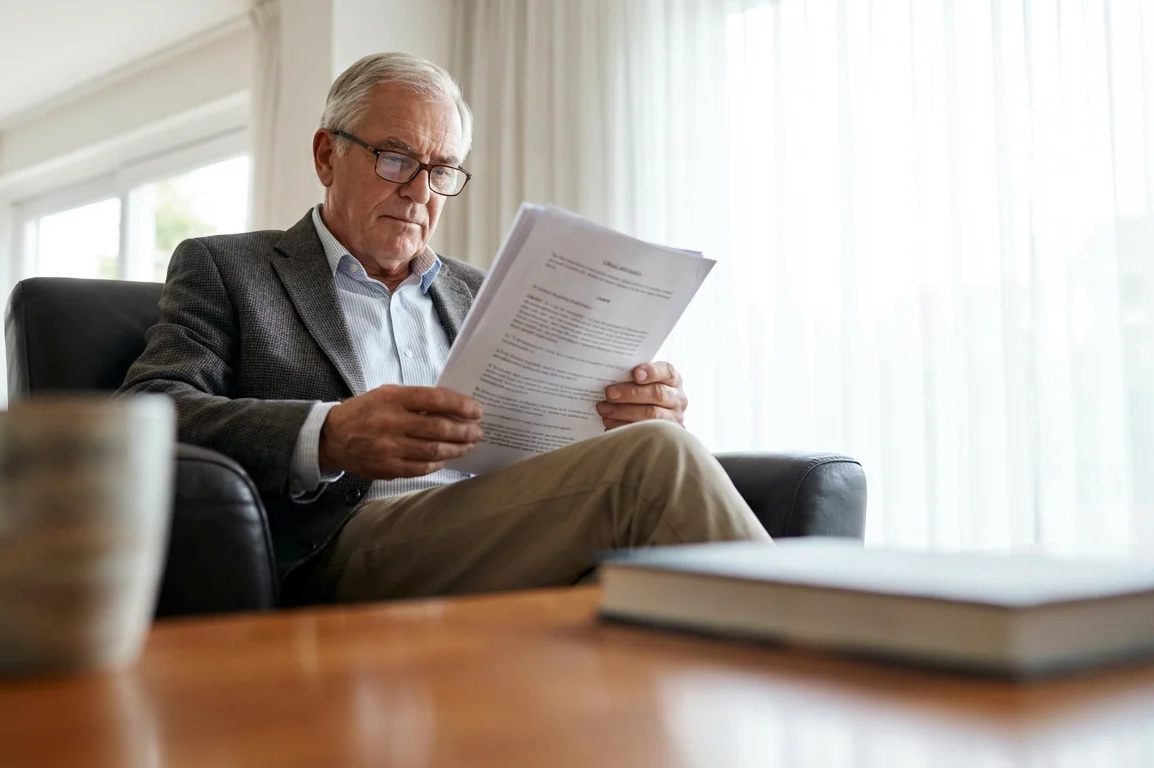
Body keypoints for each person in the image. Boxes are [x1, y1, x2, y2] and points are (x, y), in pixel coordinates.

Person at [118, 52, 770, 605]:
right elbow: (148, 409)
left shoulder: (487, 288)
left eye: (441, 170)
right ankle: (832, 641)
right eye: (395, 159)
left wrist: (623, 414)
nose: (419, 192)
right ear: (326, 155)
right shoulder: (230, 269)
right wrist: (328, 435)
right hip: (341, 543)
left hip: (500, 524)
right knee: (653, 463)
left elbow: (539, 444)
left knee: (654, 439)